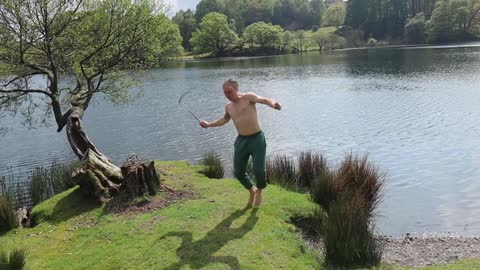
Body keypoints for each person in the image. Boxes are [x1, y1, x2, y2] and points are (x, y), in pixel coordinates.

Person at [200, 79, 282, 207]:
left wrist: (274, 104)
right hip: (241, 141)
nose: (227, 94)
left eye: (230, 91)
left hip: (257, 139)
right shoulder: (228, 107)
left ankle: (259, 190)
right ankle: (252, 190)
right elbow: (225, 119)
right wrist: (209, 125)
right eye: (225, 92)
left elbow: (264, 100)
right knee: (238, 172)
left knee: (259, 171)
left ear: (236, 89)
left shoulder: (248, 97)